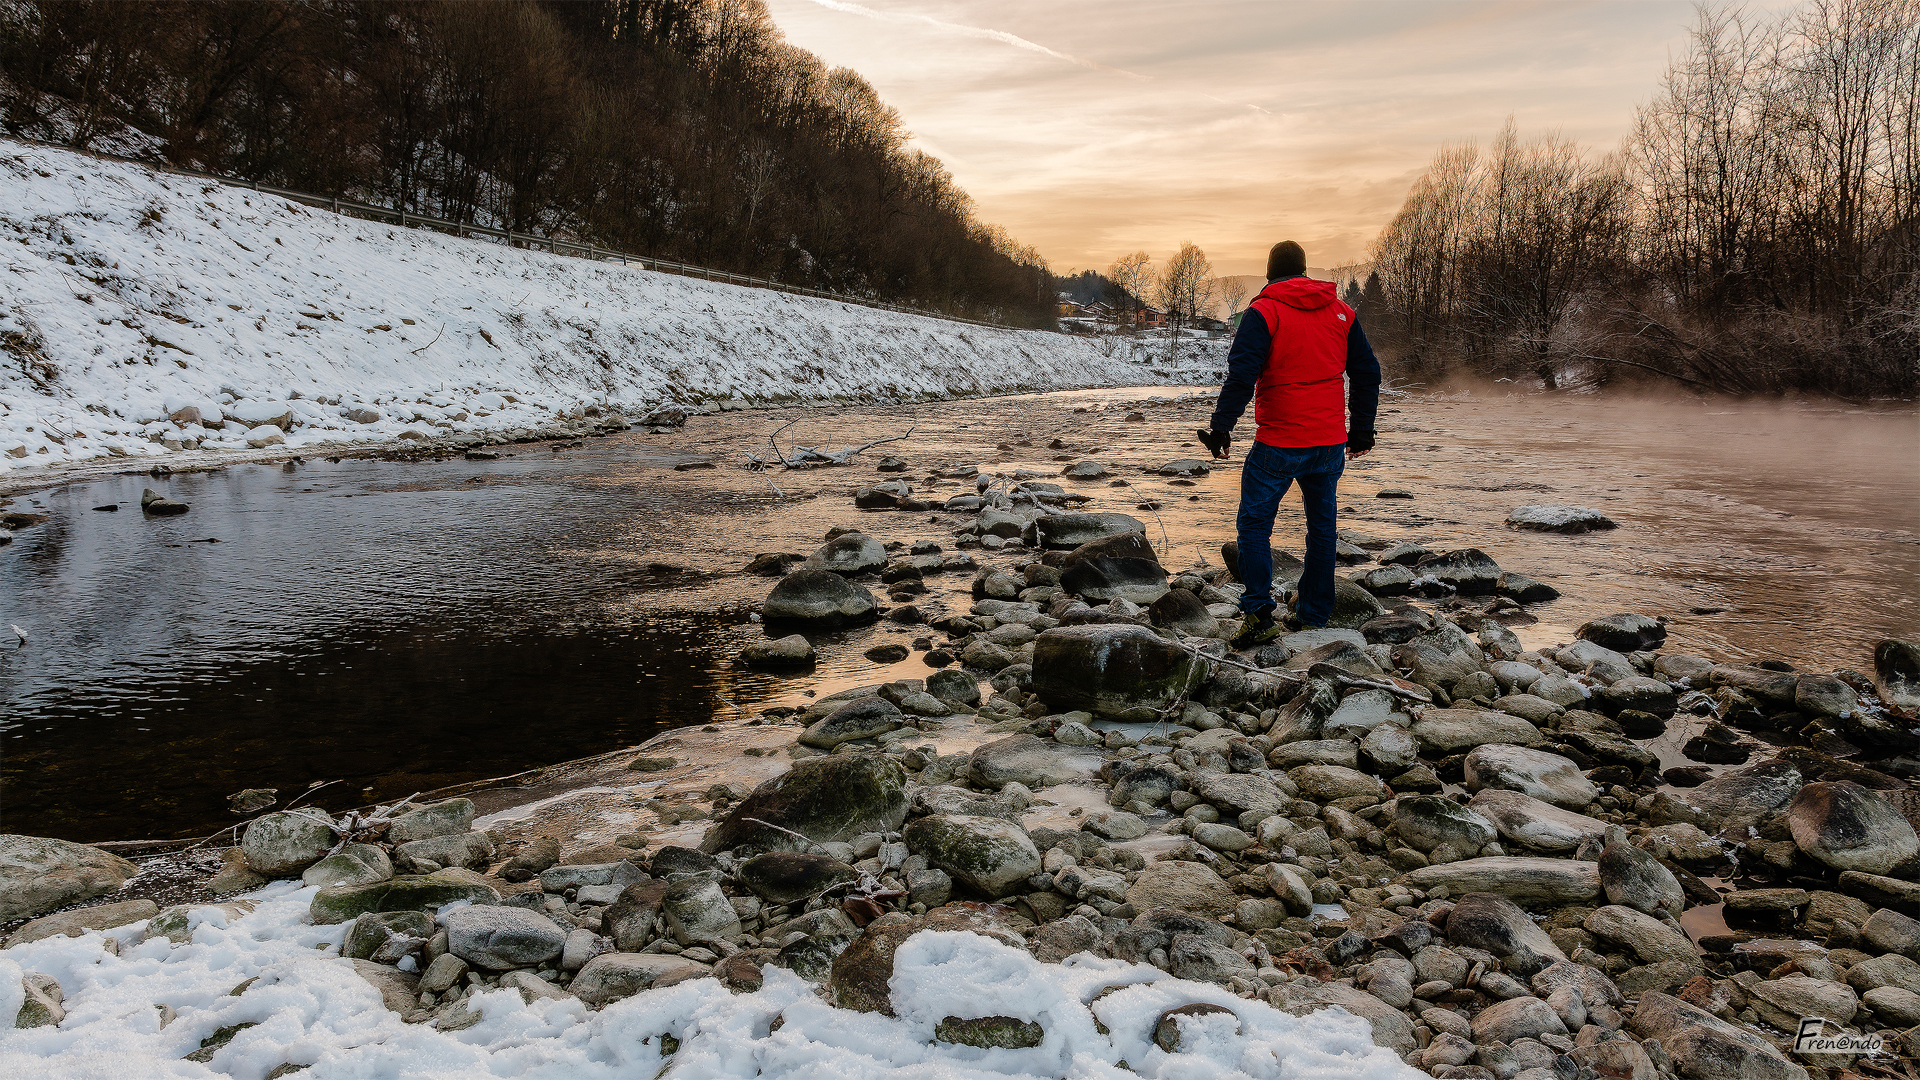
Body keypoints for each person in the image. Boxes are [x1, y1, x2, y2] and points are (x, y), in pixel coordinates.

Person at [1198, 240, 1381, 649]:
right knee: (1322, 530)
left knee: (1254, 527)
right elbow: (1368, 373)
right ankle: (1314, 615)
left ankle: (1259, 615)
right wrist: (1362, 430)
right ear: (1303, 271)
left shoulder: (1263, 311)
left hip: (1279, 443)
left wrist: (1221, 428)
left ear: (1269, 273)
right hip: (1329, 443)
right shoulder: (1342, 312)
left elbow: (1242, 376)